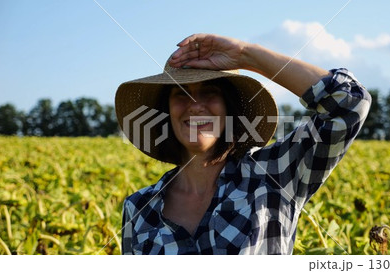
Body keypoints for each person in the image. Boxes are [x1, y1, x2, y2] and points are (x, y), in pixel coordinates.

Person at [116, 33, 371, 255]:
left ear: (229, 108)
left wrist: (245, 54)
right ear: (166, 111)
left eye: (210, 92)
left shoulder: (273, 175)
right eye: (181, 93)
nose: (195, 106)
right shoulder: (139, 208)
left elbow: (349, 102)